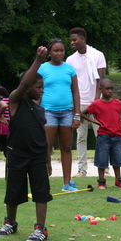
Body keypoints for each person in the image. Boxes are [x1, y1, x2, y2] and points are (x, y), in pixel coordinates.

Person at [0, 46, 52, 241]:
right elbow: (25, 82)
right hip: (17, 155)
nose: (42, 90)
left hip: (37, 157)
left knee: (41, 193)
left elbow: (43, 137)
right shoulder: (15, 101)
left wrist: (48, 160)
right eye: (38, 87)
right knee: (14, 191)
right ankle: (10, 222)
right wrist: (37, 60)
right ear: (27, 89)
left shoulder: (39, 108)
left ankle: (40, 229)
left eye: (43, 87)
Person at [38, 38, 80, 192]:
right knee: (46, 147)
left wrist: (77, 115)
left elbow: (76, 91)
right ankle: (42, 182)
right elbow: (36, 91)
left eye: (61, 50)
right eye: (56, 50)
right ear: (49, 52)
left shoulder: (70, 69)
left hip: (67, 112)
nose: (59, 53)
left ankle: (67, 183)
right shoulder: (42, 69)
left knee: (67, 147)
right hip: (48, 112)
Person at [66, 28, 107, 178]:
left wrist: (96, 103)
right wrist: (75, 107)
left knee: (101, 136)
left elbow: (100, 82)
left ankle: (104, 167)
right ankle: (82, 169)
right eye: (71, 40)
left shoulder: (97, 55)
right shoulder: (70, 60)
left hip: (96, 103)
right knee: (81, 136)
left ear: (83, 39)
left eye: (74, 40)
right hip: (79, 103)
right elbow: (71, 85)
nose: (72, 43)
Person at [80, 79, 121, 189]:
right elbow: (83, 114)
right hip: (103, 136)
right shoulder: (96, 104)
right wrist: (95, 121)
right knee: (101, 159)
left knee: (117, 159)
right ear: (100, 89)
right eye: (107, 88)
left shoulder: (117, 103)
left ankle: (119, 180)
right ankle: (101, 181)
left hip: (117, 136)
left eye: (112, 89)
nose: (110, 91)